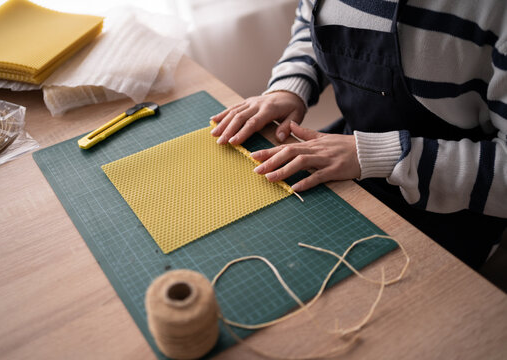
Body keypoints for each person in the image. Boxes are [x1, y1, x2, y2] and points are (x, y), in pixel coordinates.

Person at [210, 0, 507, 269]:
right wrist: (289, 88)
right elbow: (312, 22)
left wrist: (380, 155)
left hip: (452, 212)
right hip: (346, 158)